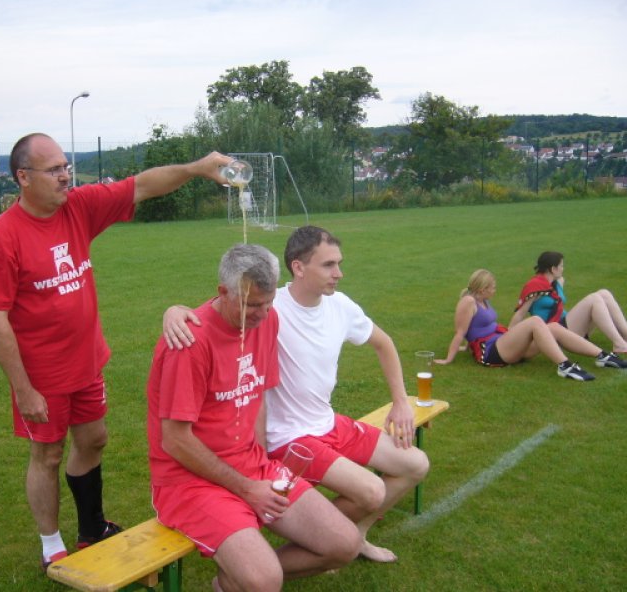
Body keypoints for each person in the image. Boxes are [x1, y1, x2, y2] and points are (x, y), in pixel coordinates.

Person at [0, 132, 233, 570]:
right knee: (47, 455)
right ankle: (51, 544)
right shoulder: (1, 238)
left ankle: (91, 528)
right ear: (23, 177)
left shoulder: (78, 208)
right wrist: (24, 389)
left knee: (94, 440)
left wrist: (195, 169)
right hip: (42, 377)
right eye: (53, 170)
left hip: (87, 363)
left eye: (65, 166)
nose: (64, 176)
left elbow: (141, 186)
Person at [164, 226, 429, 564]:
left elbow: (384, 343)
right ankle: (314, 544)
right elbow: (225, 303)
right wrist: (174, 310)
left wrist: (401, 402)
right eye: (329, 264)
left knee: (416, 465)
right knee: (371, 490)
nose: (339, 273)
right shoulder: (271, 306)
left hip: (327, 422)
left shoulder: (337, 306)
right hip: (289, 435)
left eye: (339, 263)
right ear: (299, 268)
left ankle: (354, 535)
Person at [148, 244, 360, 592]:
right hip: (188, 482)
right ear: (223, 292)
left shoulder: (268, 320)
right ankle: (251, 576)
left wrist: (259, 460)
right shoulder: (190, 343)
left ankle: (233, 581)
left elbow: (257, 395)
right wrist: (247, 489)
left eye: (268, 302)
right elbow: (175, 440)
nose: (262, 313)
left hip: (252, 466)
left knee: (344, 544)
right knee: (264, 580)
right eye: (251, 305)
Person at [436, 269, 627, 379]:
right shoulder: (468, 302)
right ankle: (565, 366)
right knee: (536, 321)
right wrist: (448, 359)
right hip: (491, 351)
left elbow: (474, 329)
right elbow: (460, 332)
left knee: (553, 327)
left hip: (501, 342)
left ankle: (603, 356)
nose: (495, 290)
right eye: (493, 287)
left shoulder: (482, 300)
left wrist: (467, 346)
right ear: (483, 289)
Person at [510, 251, 627, 357]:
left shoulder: (558, 281)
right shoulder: (534, 286)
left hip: (569, 326)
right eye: (561, 266)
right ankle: (619, 344)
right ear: (553, 269)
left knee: (604, 293)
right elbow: (520, 313)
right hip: (554, 332)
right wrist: (508, 337)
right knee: (594, 299)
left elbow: (557, 301)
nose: (563, 268)